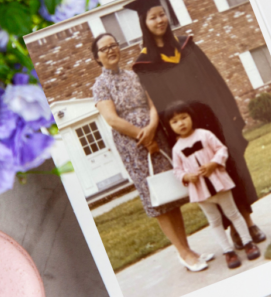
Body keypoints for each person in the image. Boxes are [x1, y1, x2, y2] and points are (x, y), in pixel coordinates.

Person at [126, 0, 266, 246]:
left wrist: (230, 113)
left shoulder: (186, 46)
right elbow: (155, 104)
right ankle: (232, 230)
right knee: (205, 178)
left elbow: (214, 79)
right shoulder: (143, 65)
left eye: (162, 15)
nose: (160, 21)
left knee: (230, 167)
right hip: (183, 130)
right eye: (153, 18)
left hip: (215, 120)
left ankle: (247, 223)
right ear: (143, 25)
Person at [89, 33, 213, 272]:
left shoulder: (134, 75)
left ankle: (188, 249)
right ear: (97, 57)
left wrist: (154, 128)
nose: (111, 50)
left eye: (113, 45)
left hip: (157, 136)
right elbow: (112, 120)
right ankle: (183, 252)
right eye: (104, 49)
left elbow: (152, 105)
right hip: (133, 146)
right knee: (157, 198)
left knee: (171, 193)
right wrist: (143, 137)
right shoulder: (100, 85)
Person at [166, 101, 262, 269]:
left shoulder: (204, 135)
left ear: (191, 118)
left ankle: (248, 243)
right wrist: (186, 176)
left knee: (233, 213)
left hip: (219, 184)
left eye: (184, 118)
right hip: (200, 191)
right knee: (214, 221)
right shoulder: (177, 149)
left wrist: (213, 163)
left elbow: (221, 150)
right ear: (170, 126)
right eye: (175, 121)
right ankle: (228, 252)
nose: (181, 123)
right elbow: (177, 170)